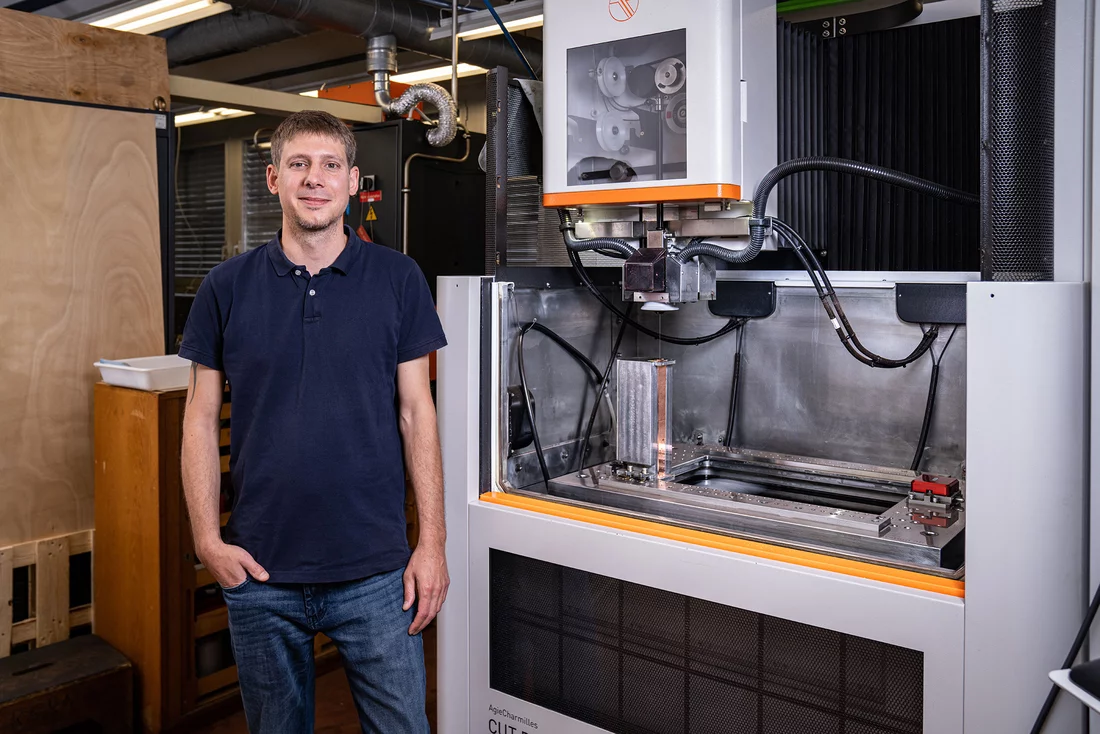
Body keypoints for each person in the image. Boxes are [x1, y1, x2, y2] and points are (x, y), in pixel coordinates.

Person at [178, 110, 448, 734]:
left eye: (330, 165)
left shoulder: (398, 279)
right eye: (298, 164)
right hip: (260, 571)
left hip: (377, 574)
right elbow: (198, 419)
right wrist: (206, 542)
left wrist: (431, 544)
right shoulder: (225, 287)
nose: (314, 179)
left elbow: (417, 412)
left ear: (354, 181)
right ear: (273, 179)